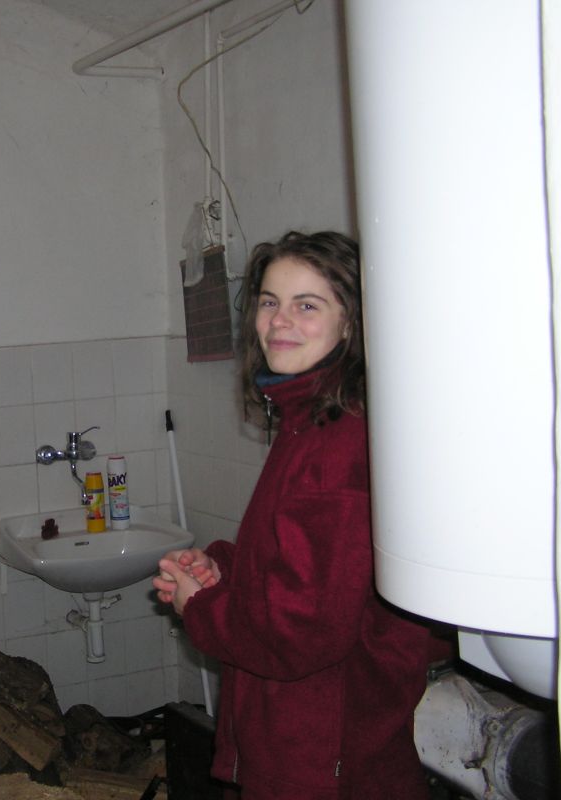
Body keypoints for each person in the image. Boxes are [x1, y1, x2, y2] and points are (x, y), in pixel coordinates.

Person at [154, 231, 440, 799]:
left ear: (351, 323)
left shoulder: (341, 443)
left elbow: (301, 632)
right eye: (270, 301)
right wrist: (223, 568)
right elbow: (305, 563)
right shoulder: (312, 418)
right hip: (312, 745)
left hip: (325, 760)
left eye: (307, 305)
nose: (279, 321)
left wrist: (202, 607)